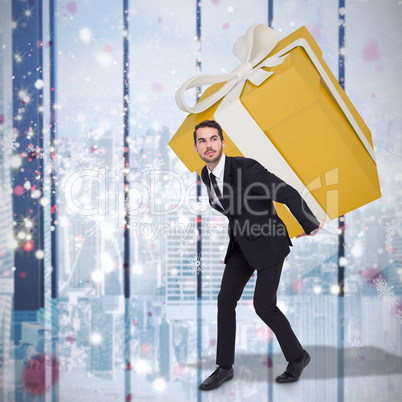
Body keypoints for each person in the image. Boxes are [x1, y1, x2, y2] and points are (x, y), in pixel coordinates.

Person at [193, 120, 324, 391]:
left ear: (223, 142)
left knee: (264, 305)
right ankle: (225, 367)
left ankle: (298, 358)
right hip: (242, 242)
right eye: (202, 141)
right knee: (225, 300)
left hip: (268, 241)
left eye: (213, 139)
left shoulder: (246, 167)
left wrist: (309, 223)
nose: (209, 145)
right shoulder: (205, 175)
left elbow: (285, 191)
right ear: (196, 147)